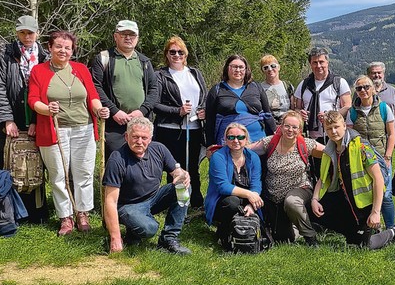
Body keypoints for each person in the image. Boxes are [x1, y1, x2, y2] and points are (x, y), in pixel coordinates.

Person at [28, 31, 110, 235]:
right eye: (58, 46)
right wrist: (47, 109)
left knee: (84, 173)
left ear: (73, 50)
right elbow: (33, 100)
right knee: (59, 176)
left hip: (84, 129)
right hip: (55, 130)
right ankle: (66, 217)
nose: (63, 50)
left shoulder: (81, 69)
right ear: (50, 48)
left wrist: (99, 110)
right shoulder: (39, 71)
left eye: (67, 47)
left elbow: (92, 95)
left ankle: (83, 213)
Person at [0, 15, 50, 223]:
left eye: (30, 32)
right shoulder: (5, 55)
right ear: (17, 33)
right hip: (9, 120)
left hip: (36, 118)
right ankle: (6, 214)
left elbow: (47, 91)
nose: (26, 36)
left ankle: (36, 215)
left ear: (37, 33)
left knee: (36, 165)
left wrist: (37, 121)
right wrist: (7, 119)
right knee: (7, 167)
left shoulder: (45, 57)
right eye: (22, 32)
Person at [309, 111, 395, 249]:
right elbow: (323, 179)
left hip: (364, 205)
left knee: (364, 246)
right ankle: (352, 233)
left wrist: (375, 212)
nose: (333, 131)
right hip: (345, 201)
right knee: (310, 210)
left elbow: (378, 179)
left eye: (336, 127)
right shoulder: (329, 150)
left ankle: (392, 232)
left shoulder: (361, 146)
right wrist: (314, 200)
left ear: (344, 126)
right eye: (329, 128)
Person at [103, 117, 191, 254]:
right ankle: (132, 231)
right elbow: (110, 200)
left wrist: (183, 175)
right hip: (127, 206)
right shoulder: (117, 159)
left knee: (183, 187)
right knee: (149, 228)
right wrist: (115, 238)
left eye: (144, 138)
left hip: (153, 199)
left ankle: (169, 239)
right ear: (126, 137)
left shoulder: (159, 149)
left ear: (150, 138)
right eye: (135, 137)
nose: (139, 142)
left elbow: (177, 171)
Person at [249, 110, 324, 244]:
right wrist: (223, 149)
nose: (290, 130)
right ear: (281, 126)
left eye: (295, 127)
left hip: (300, 188)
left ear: (300, 130)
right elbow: (248, 149)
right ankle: (300, 226)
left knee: (291, 202)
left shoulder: (305, 144)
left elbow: (329, 151)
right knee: (283, 238)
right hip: (273, 197)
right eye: (287, 126)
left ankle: (310, 237)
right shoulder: (270, 142)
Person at [90, 20, 159, 161]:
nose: (128, 38)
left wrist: (142, 111)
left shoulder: (144, 62)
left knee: (140, 164)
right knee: (116, 162)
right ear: (115, 36)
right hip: (114, 125)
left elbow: (154, 89)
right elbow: (96, 87)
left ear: (137, 38)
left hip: (141, 123)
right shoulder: (104, 58)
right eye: (124, 34)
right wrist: (114, 111)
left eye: (132, 35)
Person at [153, 36, 207, 208]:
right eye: (173, 52)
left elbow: (204, 96)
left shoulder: (195, 73)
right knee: (174, 167)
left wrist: (202, 110)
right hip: (169, 128)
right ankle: (175, 201)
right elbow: (154, 104)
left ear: (186, 55)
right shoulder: (160, 75)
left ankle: (196, 199)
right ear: (167, 55)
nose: (177, 55)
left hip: (194, 127)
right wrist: (178, 111)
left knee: (192, 165)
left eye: (180, 52)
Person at [346, 75, 395, 228]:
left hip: (381, 156)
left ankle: (390, 227)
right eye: (359, 88)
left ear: (373, 89)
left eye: (366, 87)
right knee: (368, 193)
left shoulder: (383, 108)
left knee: (386, 194)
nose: (363, 90)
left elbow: (391, 134)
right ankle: (372, 226)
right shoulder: (352, 112)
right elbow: (349, 135)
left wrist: (388, 157)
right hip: (362, 159)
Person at [204, 123, 263, 250]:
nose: (236, 141)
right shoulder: (218, 156)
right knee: (232, 203)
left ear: (246, 139)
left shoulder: (254, 157)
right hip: (223, 199)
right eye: (231, 137)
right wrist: (249, 195)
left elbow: (256, 183)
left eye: (240, 137)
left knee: (265, 201)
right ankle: (223, 232)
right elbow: (223, 186)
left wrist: (252, 202)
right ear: (225, 139)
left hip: (248, 198)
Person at [294, 47, 351, 176]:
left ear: (327, 63)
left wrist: (330, 116)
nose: (318, 66)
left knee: (337, 169)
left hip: (333, 134)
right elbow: (297, 107)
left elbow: (347, 107)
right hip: (311, 135)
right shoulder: (303, 85)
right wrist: (300, 113)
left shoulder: (339, 82)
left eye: (321, 62)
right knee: (316, 170)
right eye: (314, 62)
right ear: (310, 64)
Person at [205, 55, 276, 146]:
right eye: (234, 67)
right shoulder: (217, 90)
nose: (238, 70)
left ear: (246, 70)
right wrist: (210, 145)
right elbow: (210, 121)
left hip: (258, 142)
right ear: (227, 68)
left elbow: (267, 114)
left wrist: (275, 137)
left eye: (241, 67)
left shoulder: (256, 87)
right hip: (230, 143)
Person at [367, 62, 395, 148]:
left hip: (389, 138)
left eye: (379, 72)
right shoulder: (361, 91)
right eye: (373, 73)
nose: (377, 75)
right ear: (368, 75)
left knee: (387, 160)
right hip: (369, 138)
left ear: (383, 74)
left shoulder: (392, 91)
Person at [259, 54, 294, 124]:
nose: (270, 69)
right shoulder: (259, 88)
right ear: (263, 71)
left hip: (287, 125)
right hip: (269, 125)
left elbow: (293, 108)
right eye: (266, 68)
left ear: (279, 67)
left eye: (273, 66)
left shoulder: (287, 86)